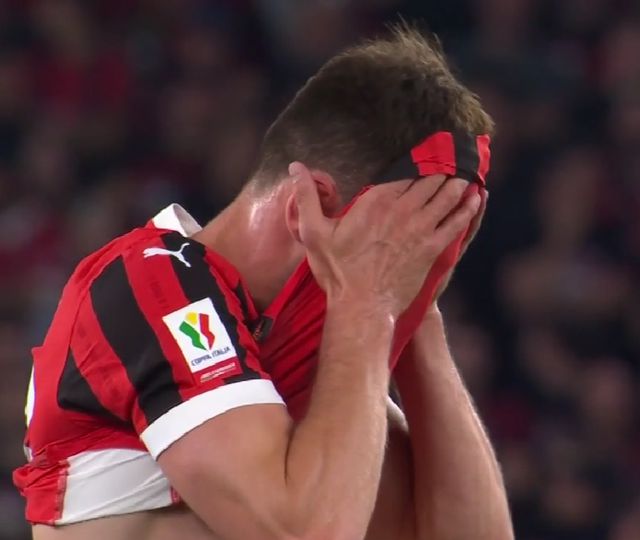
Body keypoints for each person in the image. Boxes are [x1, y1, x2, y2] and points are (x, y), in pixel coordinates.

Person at [15, 26, 513, 540]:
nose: (409, 261)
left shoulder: (326, 351)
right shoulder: (151, 281)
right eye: (400, 242)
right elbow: (304, 533)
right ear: (309, 208)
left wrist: (416, 309)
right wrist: (370, 302)